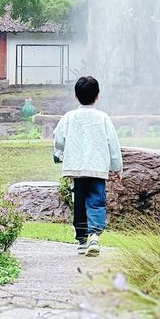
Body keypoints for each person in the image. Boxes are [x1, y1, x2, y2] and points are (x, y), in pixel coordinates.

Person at [53, 75, 122, 257]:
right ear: (97, 95)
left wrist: (58, 152)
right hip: (97, 168)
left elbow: (59, 139)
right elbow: (113, 145)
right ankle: (94, 236)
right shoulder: (103, 118)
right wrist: (117, 168)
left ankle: (82, 240)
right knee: (97, 201)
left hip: (76, 168)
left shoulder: (69, 117)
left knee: (79, 203)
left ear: (76, 96)